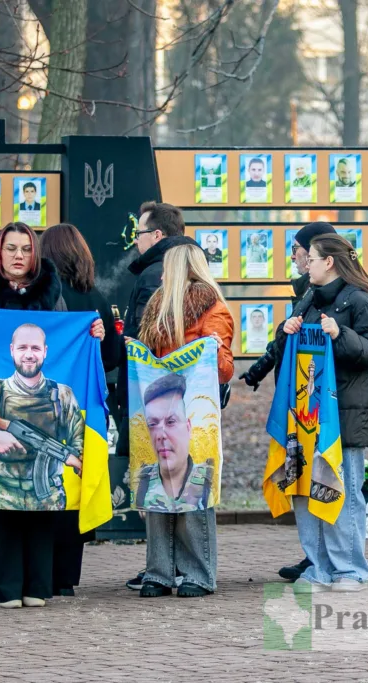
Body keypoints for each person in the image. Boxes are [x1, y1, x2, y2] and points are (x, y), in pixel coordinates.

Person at [0, 221, 105, 609]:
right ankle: (5, 586)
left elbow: (64, 340)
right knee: (1, 501)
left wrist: (91, 334)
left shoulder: (51, 292)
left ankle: (37, 584)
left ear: (36, 254)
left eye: (26, 249)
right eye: (11, 248)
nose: (18, 256)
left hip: (44, 410)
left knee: (41, 499)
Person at [275, 234, 368, 591]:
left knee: (343, 490)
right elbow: (287, 352)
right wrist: (285, 332)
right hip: (305, 415)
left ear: (330, 262)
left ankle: (349, 569)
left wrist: (340, 334)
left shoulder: (361, 299)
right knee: (307, 490)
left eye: (312, 257)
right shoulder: (308, 299)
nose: (305, 263)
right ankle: (319, 567)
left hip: (344, 415)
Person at [239, 221, 336, 582]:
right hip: (299, 405)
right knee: (300, 481)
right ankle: (314, 557)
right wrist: (260, 370)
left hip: (318, 405)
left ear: (318, 254)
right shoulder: (306, 292)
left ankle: (326, 560)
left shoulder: (327, 293)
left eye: (298, 249)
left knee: (321, 482)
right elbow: (285, 339)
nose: (294, 255)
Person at [136, 243, 234, 597]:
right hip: (160, 409)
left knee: (195, 486)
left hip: (194, 410)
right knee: (159, 488)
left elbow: (224, 370)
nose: (161, 275)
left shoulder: (213, 309)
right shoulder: (156, 308)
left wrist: (214, 347)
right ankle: (159, 572)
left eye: (166, 268)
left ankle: (198, 573)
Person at [117, 201, 196, 591]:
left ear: (158, 237)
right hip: (172, 396)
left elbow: (149, 340)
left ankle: (166, 567)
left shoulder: (154, 274)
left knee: (162, 477)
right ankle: (167, 566)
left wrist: (122, 346)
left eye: (140, 234)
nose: (136, 242)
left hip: (155, 393)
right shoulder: (179, 268)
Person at [40, 223, 121, 597]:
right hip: (83, 411)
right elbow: (111, 357)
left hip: (41, 408)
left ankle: (38, 571)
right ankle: (66, 577)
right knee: (75, 487)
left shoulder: (39, 299)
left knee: (41, 485)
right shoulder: (96, 299)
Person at [0, 323, 85, 511]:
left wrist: (78, 459)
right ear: (11, 350)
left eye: (35, 348)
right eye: (22, 348)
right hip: (1, 496)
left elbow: (80, 439)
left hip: (50, 499)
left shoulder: (62, 395)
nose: (29, 354)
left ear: (45, 351)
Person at [133, 374, 213, 512]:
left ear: (188, 427)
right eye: (153, 424)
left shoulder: (207, 480)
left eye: (171, 422)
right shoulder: (143, 483)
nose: (161, 435)